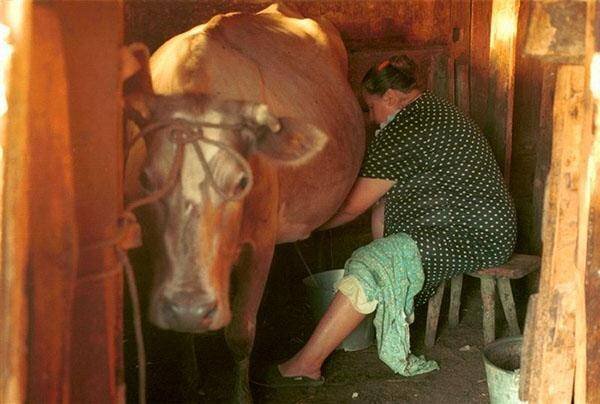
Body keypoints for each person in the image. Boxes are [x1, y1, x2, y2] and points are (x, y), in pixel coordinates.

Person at [265, 55, 517, 385]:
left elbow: (351, 207)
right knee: (384, 213)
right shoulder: (432, 109)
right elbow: (379, 203)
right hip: (482, 220)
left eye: (371, 108)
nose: (371, 118)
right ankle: (383, 295)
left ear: (390, 97)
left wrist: (304, 227)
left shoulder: (404, 130)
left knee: (374, 263)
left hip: (476, 231)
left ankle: (307, 363)